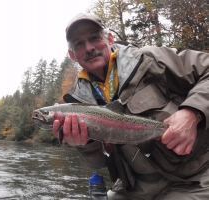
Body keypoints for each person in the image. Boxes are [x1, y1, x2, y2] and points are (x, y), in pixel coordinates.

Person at [53, 13, 209, 199]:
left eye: (94, 37)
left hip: (195, 177)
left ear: (110, 38)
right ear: (72, 55)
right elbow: (99, 162)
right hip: (135, 188)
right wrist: (84, 144)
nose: (89, 48)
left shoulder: (149, 59)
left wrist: (193, 113)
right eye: (79, 43)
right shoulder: (77, 102)